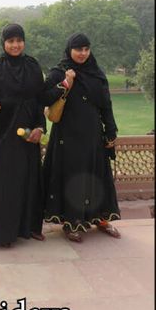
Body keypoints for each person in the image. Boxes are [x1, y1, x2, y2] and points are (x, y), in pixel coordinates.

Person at [42, 33, 120, 243]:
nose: (83, 53)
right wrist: (66, 83)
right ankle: (71, 222)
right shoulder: (59, 71)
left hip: (93, 134)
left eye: (86, 49)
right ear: (70, 50)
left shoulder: (96, 73)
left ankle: (100, 218)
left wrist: (110, 130)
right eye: (78, 49)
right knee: (72, 176)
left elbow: (106, 104)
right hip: (67, 136)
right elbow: (43, 96)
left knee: (96, 174)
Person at [0, 23, 47, 247]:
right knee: (5, 183)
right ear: (3, 43)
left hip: (28, 134)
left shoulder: (33, 66)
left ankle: (29, 227)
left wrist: (40, 127)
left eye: (19, 40)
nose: (15, 45)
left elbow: (39, 99)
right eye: (10, 41)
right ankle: (2, 232)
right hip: (3, 134)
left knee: (29, 179)